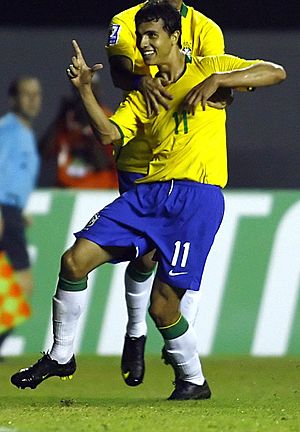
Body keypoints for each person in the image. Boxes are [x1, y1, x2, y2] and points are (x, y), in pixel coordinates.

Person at [11, 2, 286, 400]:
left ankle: (192, 380)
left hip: (195, 199)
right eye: (139, 35)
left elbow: (276, 72)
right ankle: (60, 355)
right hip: (147, 196)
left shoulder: (211, 68)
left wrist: (221, 79)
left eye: (151, 35)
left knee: (163, 308)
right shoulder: (146, 93)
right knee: (74, 261)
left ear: (176, 36)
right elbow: (109, 136)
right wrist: (86, 91)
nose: (142, 43)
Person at [106, 0, 232, 388]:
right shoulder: (126, 21)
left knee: (178, 263)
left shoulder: (207, 30)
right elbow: (118, 73)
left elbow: (222, 82)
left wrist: (217, 88)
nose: (146, 41)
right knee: (143, 257)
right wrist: (139, 80)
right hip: (138, 157)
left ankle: (178, 342)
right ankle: (135, 333)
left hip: (184, 162)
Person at [0, 76, 42, 353]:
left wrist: (18, 209)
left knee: (14, 286)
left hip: (11, 210)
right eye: (26, 94)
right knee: (22, 284)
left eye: (36, 94)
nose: (32, 99)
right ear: (13, 99)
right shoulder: (8, 130)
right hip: (4, 211)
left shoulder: (24, 132)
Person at [39, 74, 118, 189]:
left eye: (90, 90)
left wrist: (88, 134)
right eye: (80, 90)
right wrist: (59, 118)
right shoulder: (65, 121)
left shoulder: (109, 121)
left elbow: (105, 164)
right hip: (66, 190)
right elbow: (43, 151)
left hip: (100, 192)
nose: (85, 95)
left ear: (98, 92)